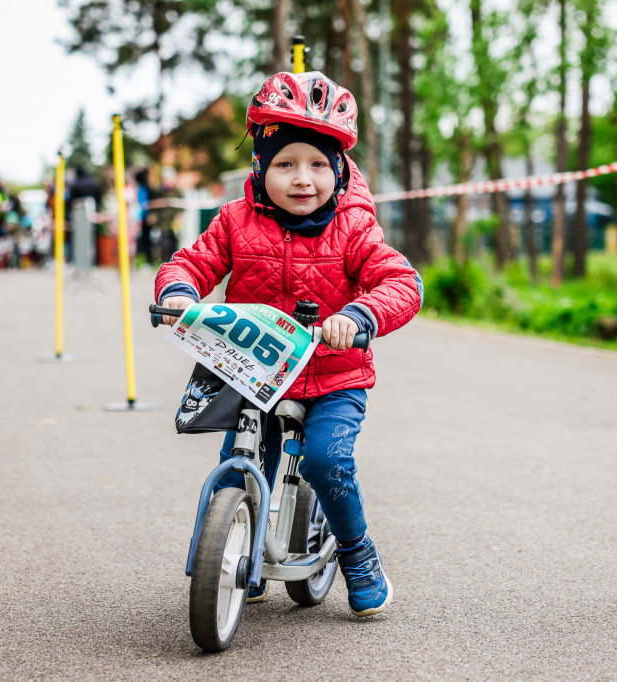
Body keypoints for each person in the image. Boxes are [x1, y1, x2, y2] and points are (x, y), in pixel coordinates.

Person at [154, 72, 423, 617]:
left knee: (327, 459)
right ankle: (237, 547)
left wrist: (362, 312)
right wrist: (180, 292)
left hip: (332, 376)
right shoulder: (235, 221)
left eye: (318, 164)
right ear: (259, 166)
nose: (303, 179)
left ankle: (357, 553)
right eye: (285, 163)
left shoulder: (353, 229)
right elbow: (191, 262)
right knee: (240, 458)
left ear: (340, 170)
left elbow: (403, 282)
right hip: (257, 375)